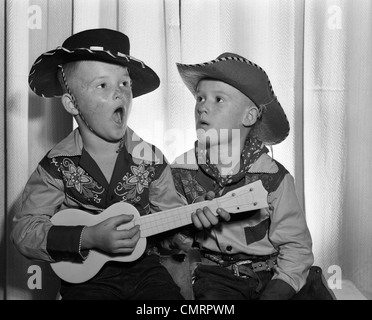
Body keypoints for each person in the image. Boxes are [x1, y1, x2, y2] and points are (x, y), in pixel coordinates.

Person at [10, 28, 186, 300]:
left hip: (145, 272)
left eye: (125, 84)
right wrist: (88, 237)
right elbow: (24, 231)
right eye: (102, 85)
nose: (119, 93)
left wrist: (182, 235)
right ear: (72, 103)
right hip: (87, 282)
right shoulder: (56, 165)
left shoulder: (152, 159)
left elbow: (170, 227)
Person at [170, 52, 315, 300]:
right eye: (200, 98)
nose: (203, 106)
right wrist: (186, 227)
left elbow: (296, 247)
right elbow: (170, 244)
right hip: (216, 277)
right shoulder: (182, 172)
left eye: (218, 99)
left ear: (249, 116)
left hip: (273, 274)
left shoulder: (274, 177)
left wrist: (278, 291)